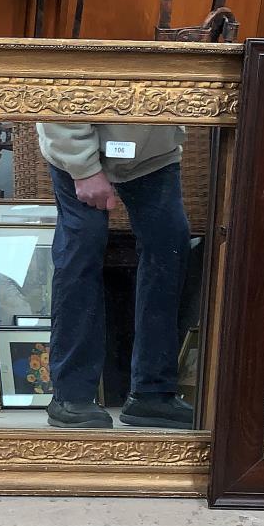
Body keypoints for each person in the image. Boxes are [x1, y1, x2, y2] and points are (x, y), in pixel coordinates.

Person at [38, 122, 193, 429]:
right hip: (77, 142)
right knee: (82, 247)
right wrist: (82, 167)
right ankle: (71, 396)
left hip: (153, 152)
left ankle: (153, 393)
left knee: (170, 244)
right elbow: (55, 91)